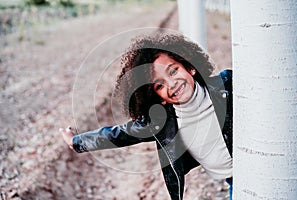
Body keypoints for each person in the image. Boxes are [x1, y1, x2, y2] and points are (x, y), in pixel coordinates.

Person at [59, 33, 233, 200]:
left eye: (173, 71)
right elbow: (118, 134)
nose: (172, 84)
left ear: (190, 67)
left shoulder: (226, 86)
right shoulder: (162, 123)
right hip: (236, 183)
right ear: (159, 99)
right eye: (160, 85)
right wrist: (77, 142)